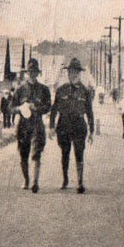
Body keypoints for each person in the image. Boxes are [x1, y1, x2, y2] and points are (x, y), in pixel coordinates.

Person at [49, 58, 95, 194]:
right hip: (63, 125)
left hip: (79, 125)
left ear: (79, 73)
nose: (73, 74)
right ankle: (65, 179)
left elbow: (90, 112)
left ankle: (80, 182)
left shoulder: (85, 91)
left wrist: (92, 131)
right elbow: (54, 109)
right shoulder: (61, 90)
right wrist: (51, 127)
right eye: (70, 71)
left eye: (75, 72)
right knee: (65, 153)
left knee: (79, 152)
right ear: (67, 73)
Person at [10, 58, 52, 193]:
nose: (32, 74)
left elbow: (48, 106)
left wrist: (37, 108)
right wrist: (20, 108)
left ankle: (35, 182)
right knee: (23, 154)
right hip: (23, 125)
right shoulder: (20, 89)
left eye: (34, 72)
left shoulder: (44, 89)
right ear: (26, 73)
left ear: (38, 73)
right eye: (30, 72)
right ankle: (26, 180)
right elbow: (10, 107)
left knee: (36, 153)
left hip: (37, 124)